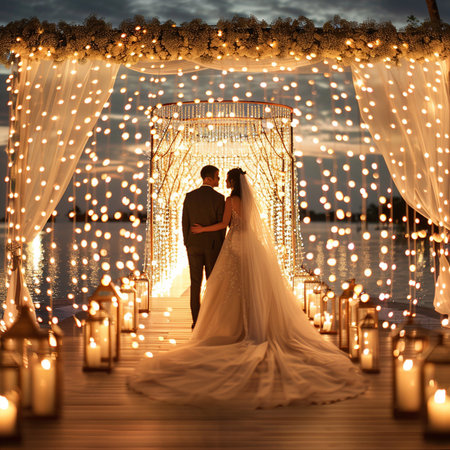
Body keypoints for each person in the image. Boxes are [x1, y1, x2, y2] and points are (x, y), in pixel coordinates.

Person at [128, 168, 367, 408]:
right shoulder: (241, 199)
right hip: (246, 243)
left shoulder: (224, 199)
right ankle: (250, 324)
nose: (223, 181)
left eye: (227, 179)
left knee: (222, 287)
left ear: (231, 181)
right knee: (246, 285)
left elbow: (219, 224)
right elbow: (239, 224)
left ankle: (216, 326)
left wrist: (198, 232)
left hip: (227, 243)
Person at [182, 165, 225, 329]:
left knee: (195, 284)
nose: (219, 179)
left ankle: (196, 321)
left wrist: (187, 242)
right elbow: (221, 226)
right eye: (217, 176)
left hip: (193, 245)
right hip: (213, 246)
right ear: (208, 178)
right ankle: (211, 320)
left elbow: (184, 221)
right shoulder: (219, 198)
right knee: (212, 283)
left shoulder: (190, 196)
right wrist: (221, 247)